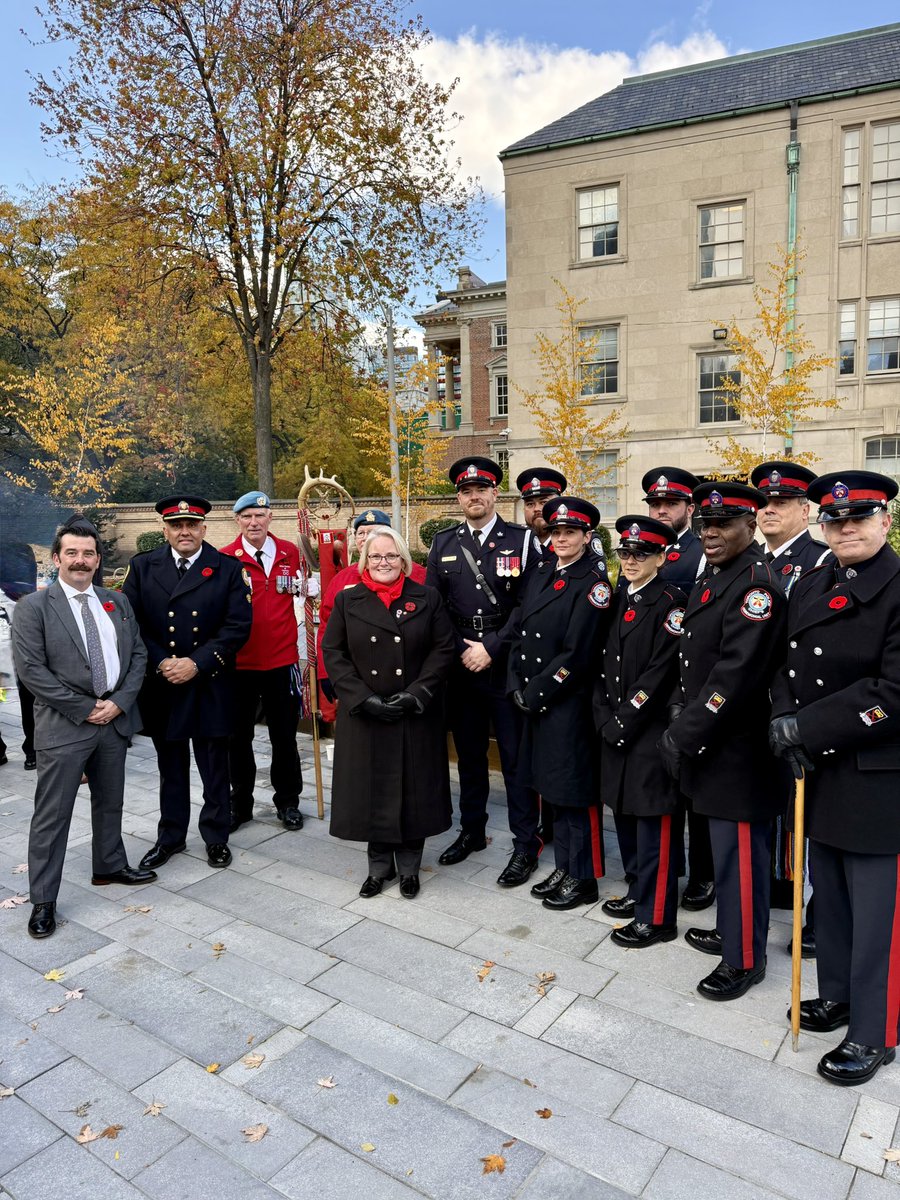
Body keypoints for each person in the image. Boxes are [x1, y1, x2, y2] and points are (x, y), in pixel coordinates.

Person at [770, 470, 900, 1086]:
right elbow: (786, 665)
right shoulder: (816, 580)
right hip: (822, 769)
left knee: (880, 913)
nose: (845, 527)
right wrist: (782, 721)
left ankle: (877, 1030)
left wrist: (808, 728)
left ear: (885, 521)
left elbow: (894, 693)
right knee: (836, 902)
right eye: (834, 519)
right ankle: (840, 995)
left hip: (878, 775)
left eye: (858, 517)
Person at [659, 481, 788, 1000]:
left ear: (751, 525)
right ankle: (734, 932)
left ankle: (744, 960)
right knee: (727, 856)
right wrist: (680, 714)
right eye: (707, 524)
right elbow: (696, 661)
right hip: (715, 745)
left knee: (741, 860)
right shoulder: (719, 575)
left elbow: (736, 675)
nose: (711, 533)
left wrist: (683, 732)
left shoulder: (756, 585)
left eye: (725, 524)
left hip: (738, 750)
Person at [11, 520, 154, 939]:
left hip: (113, 721)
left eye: (88, 554)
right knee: (52, 816)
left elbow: (138, 656)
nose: (80, 560)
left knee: (110, 802)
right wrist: (86, 707)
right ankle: (43, 899)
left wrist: (118, 703)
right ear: (56, 558)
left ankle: (109, 865)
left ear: (97, 559)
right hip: (64, 726)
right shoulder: (33, 608)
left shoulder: (116, 602)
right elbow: (31, 672)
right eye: (72, 553)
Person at [322, 526, 455, 898]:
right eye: (376, 556)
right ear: (365, 560)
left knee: (413, 790)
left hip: (414, 711)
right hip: (365, 713)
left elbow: (442, 650)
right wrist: (361, 698)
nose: (384, 562)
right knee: (372, 790)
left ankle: (410, 868)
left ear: (404, 561)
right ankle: (379, 867)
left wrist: (417, 694)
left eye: (392, 556)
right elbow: (333, 653)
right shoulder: (350, 601)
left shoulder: (426, 597)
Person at [426, 457, 541, 887]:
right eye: (466, 491)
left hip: (505, 663)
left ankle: (525, 844)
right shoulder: (444, 543)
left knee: (514, 759)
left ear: (496, 494)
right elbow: (434, 608)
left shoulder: (523, 540)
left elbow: (529, 606)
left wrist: (491, 648)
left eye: (482, 489)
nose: (474, 497)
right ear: (459, 497)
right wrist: (463, 650)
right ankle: (471, 830)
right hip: (462, 665)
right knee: (470, 755)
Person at [123, 495, 252, 871]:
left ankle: (215, 836)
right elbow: (131, 624)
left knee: (215, 765)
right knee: (171, 765)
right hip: (164, 682)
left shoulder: (227, 568)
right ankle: (171, 836)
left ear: (204, 529)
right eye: (176, 526)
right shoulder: (143, 567)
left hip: (210, 680)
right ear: (165, 530)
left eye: (191, 525)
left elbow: (237, 626)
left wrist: (196, 663)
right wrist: (162, 660)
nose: (184, 532)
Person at [510, 497, 612, 909]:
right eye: (556, 531)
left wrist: (534, 692)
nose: (562, 538)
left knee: (575, 791)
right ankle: (566, 865)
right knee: (552, 787)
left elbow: (579, 655)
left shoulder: (595, 583)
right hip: (536, 697)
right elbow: (522, 629)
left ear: (588, 536)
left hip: (566, 701)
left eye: (571, 532)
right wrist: (516, 681)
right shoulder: (543, 572)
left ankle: (584, 876)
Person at [750, 460, 830, 954]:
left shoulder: (821, 562)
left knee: (812, 818)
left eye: (781, 502)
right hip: (752, 708)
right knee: (767, 810)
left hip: (797, 708)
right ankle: (774, 896)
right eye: (764, 503)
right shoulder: (752, 560)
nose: (770, 510)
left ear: (805, 509)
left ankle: (819, 918)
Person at [596, 516, 686, 945]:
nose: (631, 560)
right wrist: (603, 717)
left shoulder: (671, 603)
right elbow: (602, 662)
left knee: (654, 827)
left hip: (645, 733)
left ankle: (659, 917)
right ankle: (638, 891)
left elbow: (659, 673)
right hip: (615, 729)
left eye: (641, 553)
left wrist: (622, 721)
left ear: (662, 557)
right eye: (625, 553)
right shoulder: (619, 596)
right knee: (626, 816)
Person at [640, 465, 714, 913]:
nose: (662, 509)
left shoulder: (700, 552)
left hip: (688, 685)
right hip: (653, 684)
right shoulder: (646, 547)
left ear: (690, 507)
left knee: (696, 790)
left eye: (670, 503)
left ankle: (702, 873)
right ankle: (673, 866)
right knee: (666, 787)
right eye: (655, 503)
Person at [220, 491, 304, 833]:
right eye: (246, 516)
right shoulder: (226, 558)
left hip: (282, 661)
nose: (254, 522)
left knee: (284, 739)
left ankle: (288, 803)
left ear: (270, 517)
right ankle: (240, 805)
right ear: (237, 520)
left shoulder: (290, 552)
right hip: (239, 665)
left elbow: (302, 591)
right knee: (237, 740)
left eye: (260, 515)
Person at [316, 509, 426, 701]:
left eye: (374, 532)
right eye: (361, 533)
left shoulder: (418, 575)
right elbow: (327, 630)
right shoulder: (342, 579)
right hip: (358, 682)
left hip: (410, 680)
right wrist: (327, 673)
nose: (366, 538)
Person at [515, 466, 567, 846]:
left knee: (560, 766)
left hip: (557, 677)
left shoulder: (578, 550)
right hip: (522, 668)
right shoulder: (523, 546)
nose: (537, 510)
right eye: (530, 503)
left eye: (544, 501)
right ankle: (542, 828)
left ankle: (556, 829)